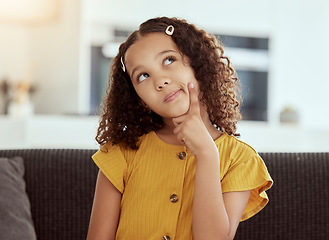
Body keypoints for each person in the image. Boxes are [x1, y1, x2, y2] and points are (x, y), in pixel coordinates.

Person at [87, 17, 273, 240]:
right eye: (143, 76)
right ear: (139, 99)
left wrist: (207, 154)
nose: (160, 81)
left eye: (168, 60)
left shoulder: (240, 160)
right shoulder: (121, 152)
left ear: (197, 62)